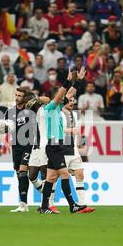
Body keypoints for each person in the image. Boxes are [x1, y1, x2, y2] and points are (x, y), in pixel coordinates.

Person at [39, 67, 93, 214]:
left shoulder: (58, 108)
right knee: (65, 175)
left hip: (57, 146)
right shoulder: (50, 107)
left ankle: (44, 207)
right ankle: (72, 205)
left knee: (50, 177)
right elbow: (62, 94)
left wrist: (78, 81)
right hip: (54, 145)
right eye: (60, 95)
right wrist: (68, 80)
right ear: (54, 96)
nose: (64, 98)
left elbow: (69, 93)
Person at [0, 88, 35, 212]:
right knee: (20, 175)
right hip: (16, 146)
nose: (17, 97)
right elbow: (2, 130)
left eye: (20, 95)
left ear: (25, 97)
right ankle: (23, 204)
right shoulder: (10, 112)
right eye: (16, 95)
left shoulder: (31, 109)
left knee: (23, 170)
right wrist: (4, 127)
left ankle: (27, 201)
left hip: (29, 144)